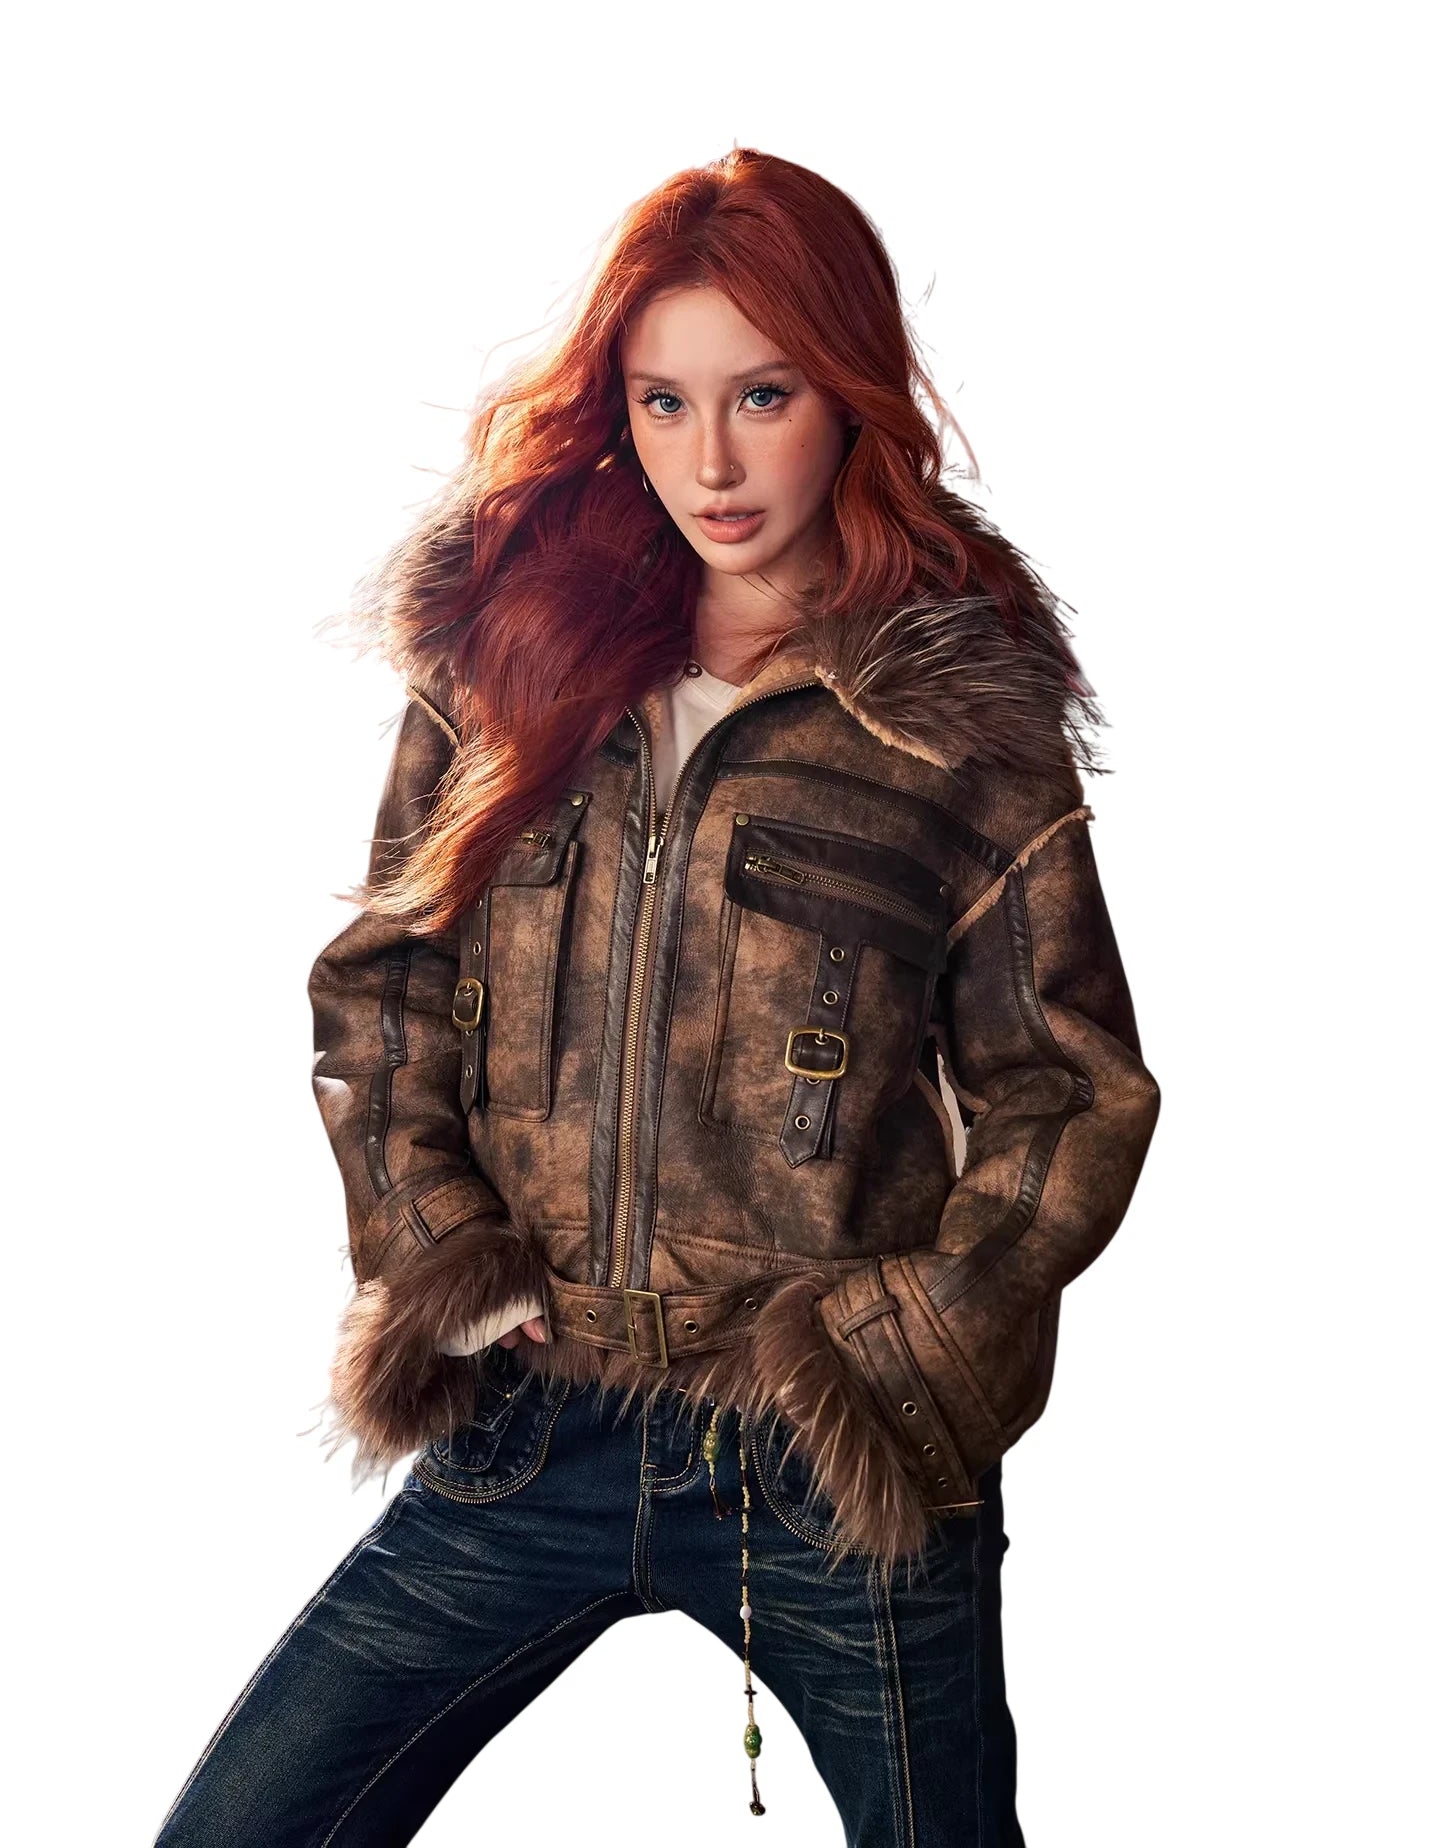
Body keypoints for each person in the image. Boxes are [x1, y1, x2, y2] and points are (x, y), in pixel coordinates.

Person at [154, 145, 1161, 1846]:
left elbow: (1071, 1093)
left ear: (848, 394)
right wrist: (439, 1250)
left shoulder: (953, 721)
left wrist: (894, 1352)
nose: (713, 462)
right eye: (664, 401)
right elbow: (383, 990)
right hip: (530, 1425)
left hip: (828, 1460)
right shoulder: (515, 657)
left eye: (764, 395)